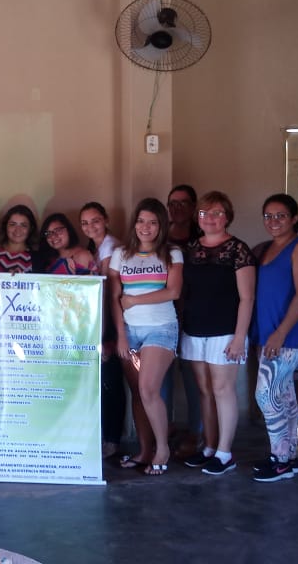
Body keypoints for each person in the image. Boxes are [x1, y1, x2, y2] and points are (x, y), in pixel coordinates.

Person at [179, 191, 256, 475]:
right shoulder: (189, 249)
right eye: (203, 213)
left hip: (226, 331)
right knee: (204, 391)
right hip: (194, 329)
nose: (209, 218)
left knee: (223, 389)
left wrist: (239, 337)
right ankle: (209, 447)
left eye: (216, 213)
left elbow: (247, 298)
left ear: (227, 217)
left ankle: (225, 453)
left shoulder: (238, 249)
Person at [109, 198, 182, 476]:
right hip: (130, 332)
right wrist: (121, 336)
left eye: (152, 222)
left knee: (149, 389)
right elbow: (115, 298)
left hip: (161, 329)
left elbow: (173, 292)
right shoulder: (121, 254)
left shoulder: (172, 253)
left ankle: (162, 449)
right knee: (138, 394)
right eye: (141, 221)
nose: (145, 227)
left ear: (161, 225)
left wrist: (135, 301)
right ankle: (143, 451)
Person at [251, 194, 298, 482]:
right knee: (284, 395)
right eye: (268, 216)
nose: (273, 221)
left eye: (280, 215)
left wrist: (280, 333)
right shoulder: (267, 249)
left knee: (265, 395)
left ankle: (280, 461)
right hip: (269, 334)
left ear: (294, 218)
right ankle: (289, 457)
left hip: (287, 336)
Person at [80, 202, 124, 459]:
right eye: (85, 223)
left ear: (106, 220)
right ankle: (106, 438)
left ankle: (113, 440)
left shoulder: (111, 247)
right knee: (103, 384)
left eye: (95, 220)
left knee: (111, 384)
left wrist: (106, 335)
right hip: (100, 323)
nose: (90, 227)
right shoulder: (94, 248)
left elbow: (106, 293)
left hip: (109, 325)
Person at [163, 185, 204, 454]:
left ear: (193, 207)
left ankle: (196, 433)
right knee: (161, 376)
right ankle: (164, 428)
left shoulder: (202, 239)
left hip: (193, 315)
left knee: (193, 377)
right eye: (172, 203)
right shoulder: (159, 236)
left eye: (183, 203)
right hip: (161, 315)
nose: (177, 208)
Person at [0, 204, 37, 273]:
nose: (18, 230)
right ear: (5, 226)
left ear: (30, 228)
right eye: (12, 224)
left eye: (23, 225)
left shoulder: (37, 258)